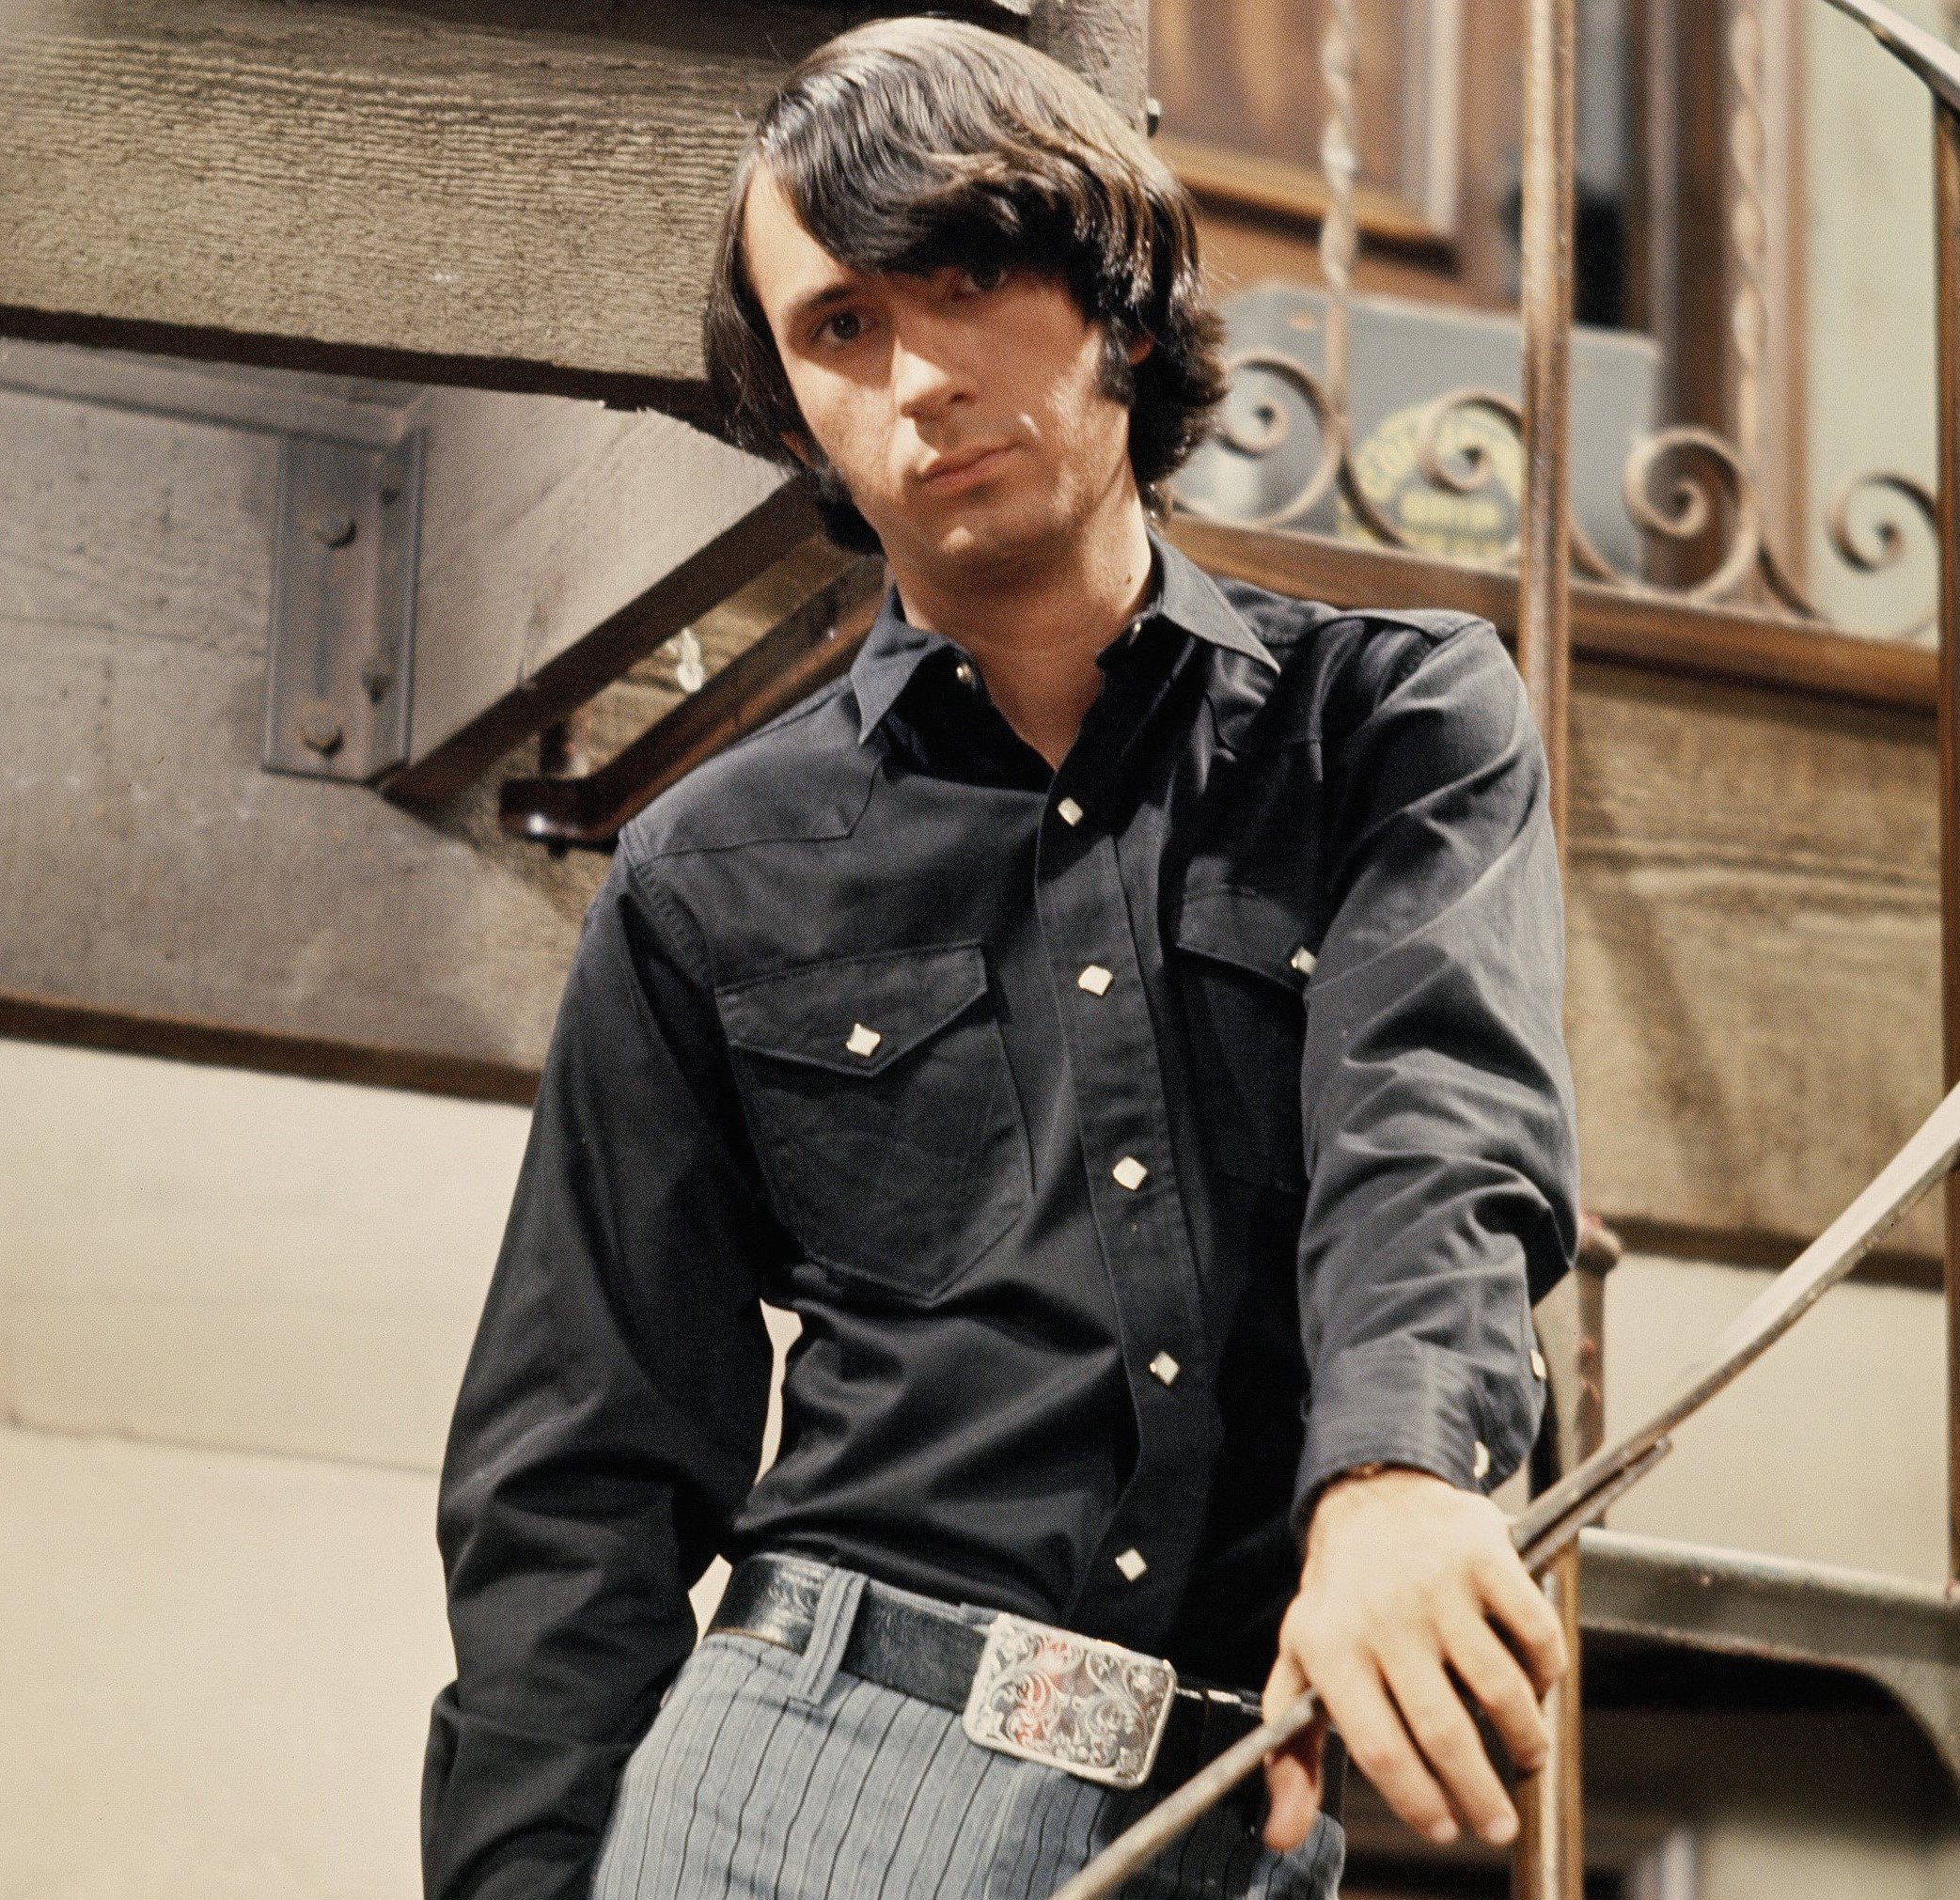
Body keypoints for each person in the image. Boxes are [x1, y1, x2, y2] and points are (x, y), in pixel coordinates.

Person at [421, 18, 1581, 1900]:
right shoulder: (705, 872)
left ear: (1114, 299)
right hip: (786, 1785)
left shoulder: (1393, 724)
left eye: (966, 281)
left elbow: (1432, 1125)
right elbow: (580, 1474)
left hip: (1219, 1810)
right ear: (792, 406)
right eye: (840, 330)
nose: (917, 379)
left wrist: (1397, 1468)